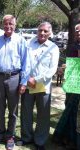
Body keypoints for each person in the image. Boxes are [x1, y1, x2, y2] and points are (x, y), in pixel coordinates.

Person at [0, 14, 30, 150]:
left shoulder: (21, 40)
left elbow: (25, 63)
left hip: (14, 78)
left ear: (15, 25)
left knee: (13, 109)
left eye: (11, 24)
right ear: (2, 25)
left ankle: (10, 136)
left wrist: (23, 82)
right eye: (6, 24)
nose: (8, 26)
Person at [17, 22, 59, 150]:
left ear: (50, 33)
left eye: (45, 31)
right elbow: (23, 62)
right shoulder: (29, 44)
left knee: (43, 115)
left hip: (43, 86)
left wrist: (36, 79)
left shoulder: (53, 48)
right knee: (26, 112)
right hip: (28, 84)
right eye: (40, 30)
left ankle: (40, 141)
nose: (42, 33)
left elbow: (52, 70)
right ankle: (26, 137)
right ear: (37, 31)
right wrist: (26, 79)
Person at [53, 23, 80, 150]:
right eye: (76, 31)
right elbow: (68, 62)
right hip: (72, 81)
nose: (78, 33)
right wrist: (63, 68)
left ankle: (69, 138)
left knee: (73, 111)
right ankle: (67, 138)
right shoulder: (73, 45)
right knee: (69, 109)